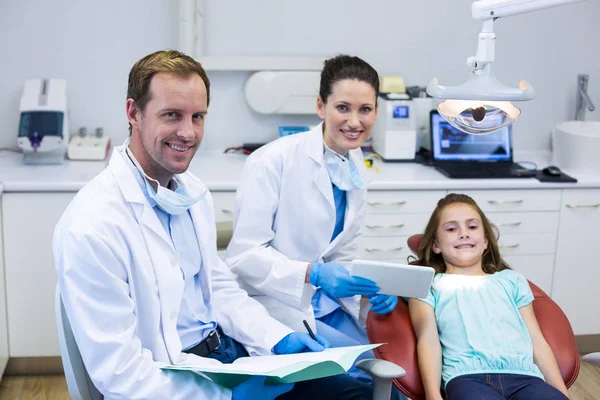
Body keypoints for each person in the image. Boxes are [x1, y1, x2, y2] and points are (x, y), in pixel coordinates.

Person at [53, 50, 372, 400]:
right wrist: (227, 398)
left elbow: (218, 290)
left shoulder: (190, 194)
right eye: (172, 115)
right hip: (172, 380)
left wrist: (275, 337)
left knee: (353, 392)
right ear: (134, 113)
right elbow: (121, 374)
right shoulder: (93, 224)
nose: (187, 132)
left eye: (198, 116)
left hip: (226, 357)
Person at [226, 54, 402, 394]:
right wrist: (313, 274)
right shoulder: (271, 162)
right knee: (370, 382)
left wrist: (372, 290)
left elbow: (343, 253)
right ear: (321, 106)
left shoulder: (355, 167)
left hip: (327, 306)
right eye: (342, 108)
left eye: (365, 109)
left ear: (376, 112)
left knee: (398, 370)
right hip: (278, 302)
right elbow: (244, 257)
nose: (354, 121)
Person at [408, 193, 570, 400]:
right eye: (451, 228)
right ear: (435, 245)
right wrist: (433, 396)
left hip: (526, 377)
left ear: (485, 241)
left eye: (472, 227)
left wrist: (562, 393)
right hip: (467, 378)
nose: (463, 233)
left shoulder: (512, 281)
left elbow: (536, 340)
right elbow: (428, 340)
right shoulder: (428, 284)